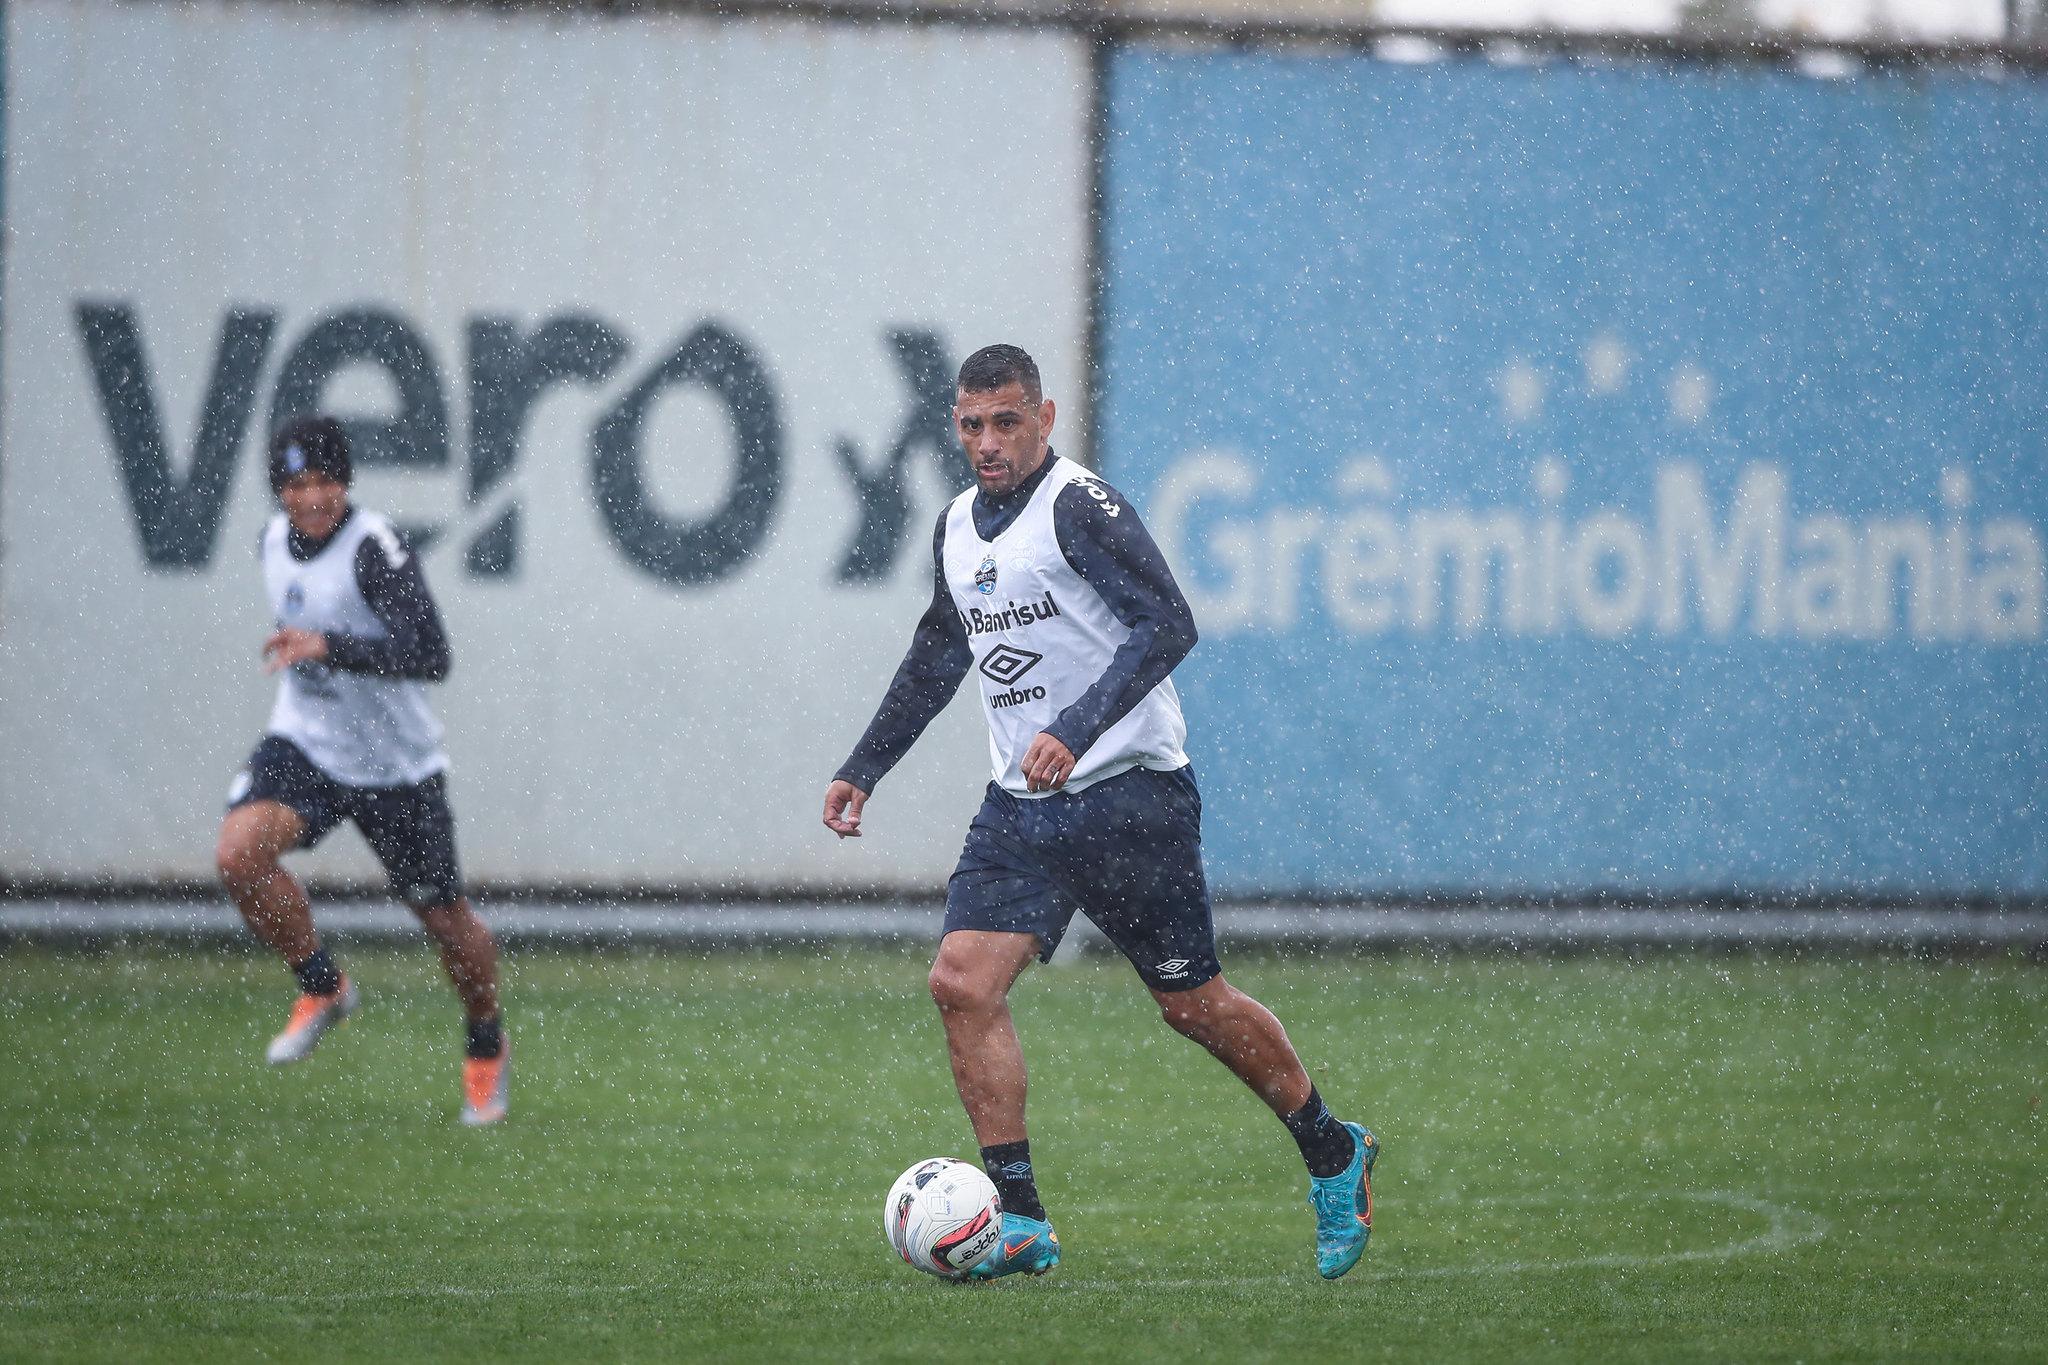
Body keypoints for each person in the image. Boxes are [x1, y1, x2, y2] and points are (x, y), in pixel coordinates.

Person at [822, 345, 1377, 1280]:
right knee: (961, 982)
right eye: (972, 424)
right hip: (1022, 808)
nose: (988, 443)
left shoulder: (1079, 506)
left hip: (1131, 798)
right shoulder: (955, 526)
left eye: (1007, 422)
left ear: (1044, 417)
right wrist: (865, 765)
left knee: (1192, 1005)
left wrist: (1075, 729)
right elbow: (940, 651)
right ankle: (1022, 1218)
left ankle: (1331, 1147)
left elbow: (1169, 622)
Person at [215, 415, 508, 1126]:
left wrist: (330, 646)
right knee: (238, 854)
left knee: (445, 920)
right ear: (278, 491)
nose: (312, 497)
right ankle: (322, 983)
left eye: (325, 481)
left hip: (393, 767)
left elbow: (431, 653)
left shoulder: (374, 549)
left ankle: (486, 1040)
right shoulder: (270, 543)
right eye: (296, 485)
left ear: (346, 483)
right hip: (309, 746)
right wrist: (314, 651)